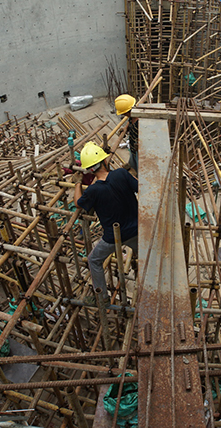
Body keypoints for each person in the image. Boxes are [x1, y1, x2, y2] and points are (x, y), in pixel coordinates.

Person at [73, 141, 139, 301]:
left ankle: (101, 296)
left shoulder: (94, 190)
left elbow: (78, 203)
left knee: (94, 260)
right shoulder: (121, 174)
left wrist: (77, 183)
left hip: (113, 237)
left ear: (90, 170)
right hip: (137, 229)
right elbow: (140, 187)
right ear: (104, 161)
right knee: (147, 258)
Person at [115, 94, 139, 172]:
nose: (123, 115)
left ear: (127, 112)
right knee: (133, 165)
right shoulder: (132, 117)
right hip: (133, 149)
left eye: (123, 113)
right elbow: (130, 122)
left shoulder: (140, 122)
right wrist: (125, 128)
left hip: (139, 151)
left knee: (140, 170)